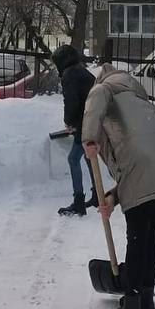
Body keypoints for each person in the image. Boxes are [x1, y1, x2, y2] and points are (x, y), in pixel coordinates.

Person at [82, 66, 155, 309]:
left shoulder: (104, 88)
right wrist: (112, 199)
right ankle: (147, 299)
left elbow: (97, 96)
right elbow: (136, 173)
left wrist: (89, 137)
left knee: (137, 239)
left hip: (144, 168)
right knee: (150, 235)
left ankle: (131, 305)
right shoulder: (136, 101)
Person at [53, 45, 97, 217]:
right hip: (92, 120)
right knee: (88, 157)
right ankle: (97, 195)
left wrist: (69, 122)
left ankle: (79, 202)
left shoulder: (69, 75)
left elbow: (71, 101)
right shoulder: (82, 71)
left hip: (84, 124)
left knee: (73, 159)